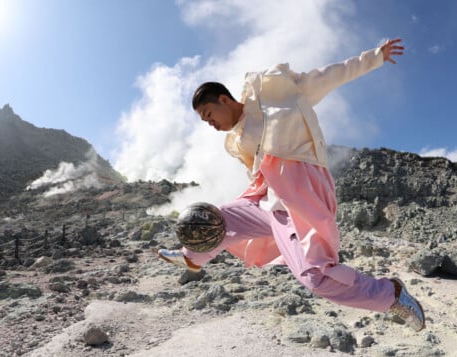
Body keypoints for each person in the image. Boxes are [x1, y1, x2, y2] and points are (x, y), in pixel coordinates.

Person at [158, 38, 425, 331]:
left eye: (208, 115)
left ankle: (392, 294)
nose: (209, 124)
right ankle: (192, 258)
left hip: (299, 196)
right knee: (218, 217)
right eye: (203, 121)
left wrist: (374, 57)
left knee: (315, 277)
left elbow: (328, 76)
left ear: (223, 100)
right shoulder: (235, 141)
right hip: (266, 199)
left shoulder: (275, 94)